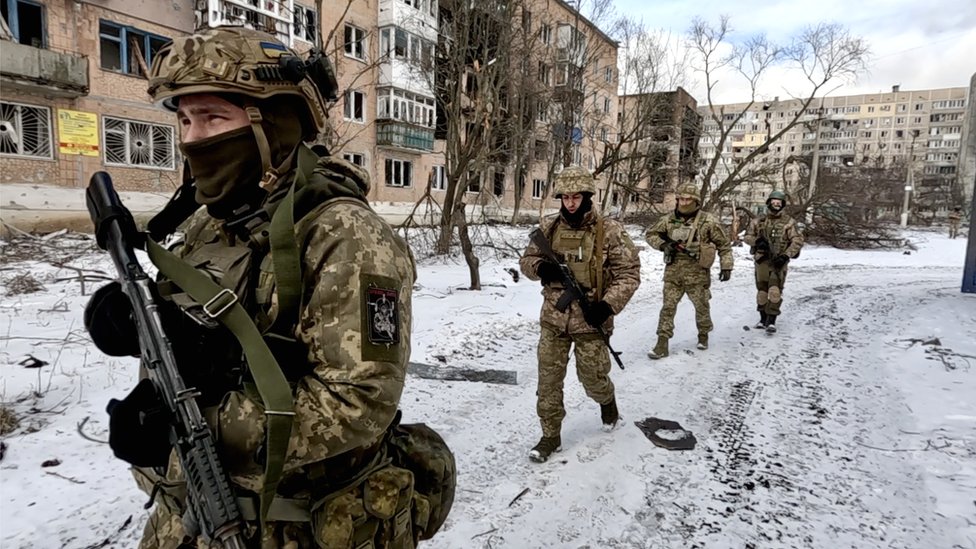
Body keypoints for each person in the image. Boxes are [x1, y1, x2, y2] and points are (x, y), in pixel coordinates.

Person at [83, 26, 449, 548]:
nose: (191, 139)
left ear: (273, 125)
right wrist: (137, 321)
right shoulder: (213, 224)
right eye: (185, 119)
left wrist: (194, 424)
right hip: (190, 518)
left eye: (212, 118)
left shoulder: (347, 235)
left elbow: (358, 403)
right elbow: (198, 341)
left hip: (297, 527)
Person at [519, 167, 641, 463]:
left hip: (590, 320)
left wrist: (608, 305)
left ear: (588, 196)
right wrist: (540, 269)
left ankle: (607, 401)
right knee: (548, 382)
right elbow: (527, 260)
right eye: (566, 197)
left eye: (576, 197)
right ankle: (550, 436)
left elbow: (629, 274)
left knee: (593, 378)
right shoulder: (549, 228)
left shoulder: (609, 231)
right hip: (553, 319)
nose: (570, 203)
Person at [644, 184, 733, 358]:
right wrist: (664, 245)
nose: (684, 203)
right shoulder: (668, 220)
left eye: (688, 199)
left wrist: (727, 266)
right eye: (681, 199)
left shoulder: (708, 221)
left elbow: (724, 245)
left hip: (698, 274)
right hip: (673, 273)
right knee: (668, 308)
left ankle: (703, 334)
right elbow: (650, 234)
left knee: (701, 307)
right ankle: (662, 343)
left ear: (696, 201)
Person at [742, 190, 804, 333]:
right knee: (762, 292)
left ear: (782, 204)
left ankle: (772, 320)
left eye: (779, 203)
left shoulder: (789, 222)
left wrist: (786, 256)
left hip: (779, 261)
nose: (776, 205)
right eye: (773, 202)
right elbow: (747, 237)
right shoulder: (758, 221)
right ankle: (763, 319)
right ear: (768, 203)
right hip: (762, 261)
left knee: (775, 291)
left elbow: (797, 240)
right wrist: (757, 241)